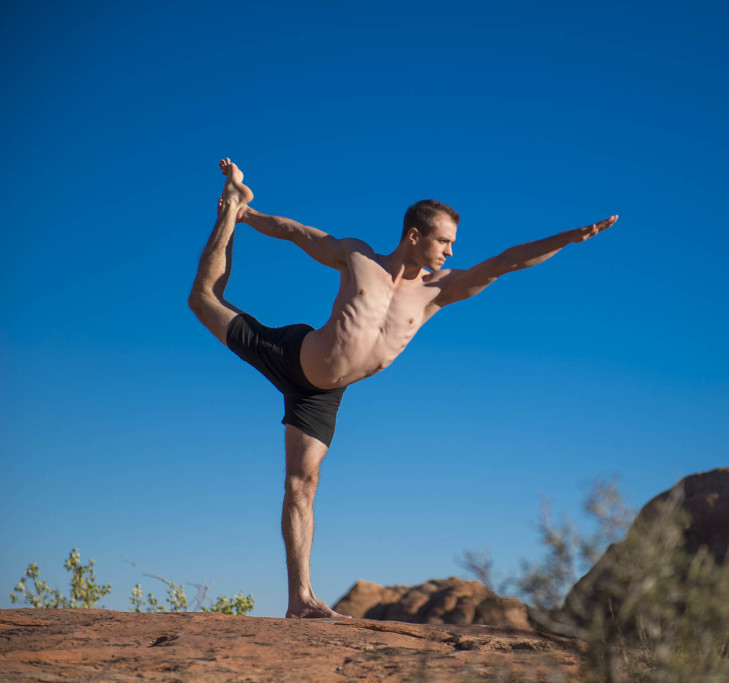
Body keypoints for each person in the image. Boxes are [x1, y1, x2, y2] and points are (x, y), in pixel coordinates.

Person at [188, 158, 618, 619]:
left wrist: (569, 238)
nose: (451, 252)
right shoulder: (358, 258)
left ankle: (301, 600)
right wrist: (246, 217)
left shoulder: (438, 291)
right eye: (444, 241)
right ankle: (230, 207)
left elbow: (505, 262)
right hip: (290, 355)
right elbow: (298, 232)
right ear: (415, 235)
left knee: (303, 484)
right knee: (203, 299)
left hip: (322, 396)